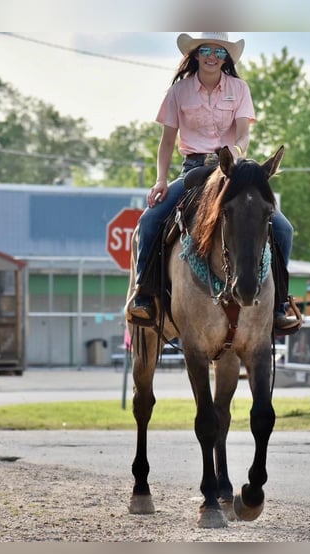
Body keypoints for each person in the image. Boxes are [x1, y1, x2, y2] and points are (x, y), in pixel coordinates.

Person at [127, 32, 300, 333]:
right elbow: (167, 142)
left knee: (283, 228)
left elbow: (243, 133)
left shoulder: (239, 89)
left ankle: (280, 305)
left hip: (232, 170)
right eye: (205, 50)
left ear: (226, 58)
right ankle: (144, 295)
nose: (212, 56)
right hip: (194, 169)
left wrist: (235, 152)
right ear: (194, 54)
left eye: (219, 52)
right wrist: (160, 180)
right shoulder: (179, 92)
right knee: (150, 220)